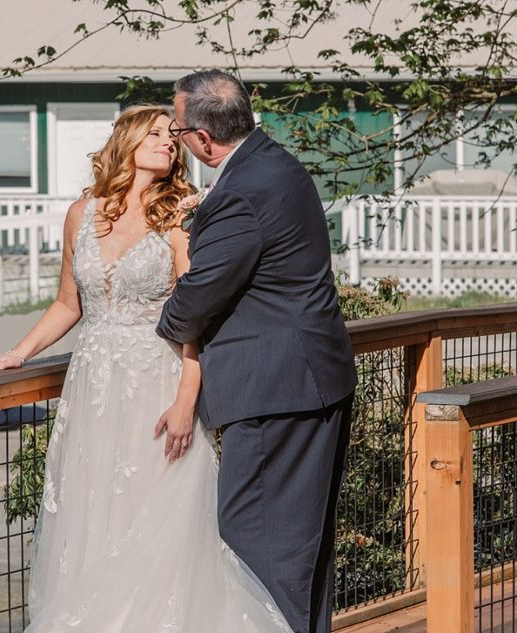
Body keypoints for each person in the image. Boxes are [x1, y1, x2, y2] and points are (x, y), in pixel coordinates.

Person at [0, 105, 294, 632]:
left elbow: (194, 314)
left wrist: (185, 400)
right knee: (94, 514)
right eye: (156, 134)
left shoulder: (178, 215)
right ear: (125, 141)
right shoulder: (82, 213)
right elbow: (68, 304)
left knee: (157, 520)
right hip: (93, 388)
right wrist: (20, 352)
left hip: (158, 381)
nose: (169, 143)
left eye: (173, 138)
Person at [156, 70, 358, 633]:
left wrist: (165, 320)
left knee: (258, 551)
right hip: (307, 378)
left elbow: (200, 293)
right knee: (299, 555)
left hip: (274, 389)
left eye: (176, 128)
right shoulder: (276, 162)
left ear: (202, 138)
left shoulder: (241, 190)